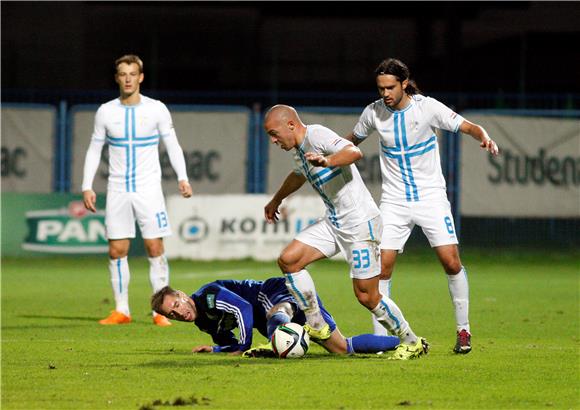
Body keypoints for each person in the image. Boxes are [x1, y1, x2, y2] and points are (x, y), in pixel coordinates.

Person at [344, 58, 500, 354]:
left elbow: (467, 126)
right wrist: (328, 153)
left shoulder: (427, 108)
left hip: (431, 198)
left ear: (404, 84)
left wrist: (484, 136)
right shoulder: (373, 113)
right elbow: (351, 141)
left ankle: (463, 330)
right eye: (381, 88)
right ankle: (384, 339)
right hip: (394, 201)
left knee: (451, 262)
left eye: (390, 87)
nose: (385, 93)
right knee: (382, 269)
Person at [263, 104, 428, 360]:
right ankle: (316, 324)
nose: (273, 140)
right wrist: (276, 200)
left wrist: (327, 160)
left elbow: (353, 151)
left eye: (274, 133)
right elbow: (298, 175)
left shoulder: (316, 135)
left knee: (367, 295)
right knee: (289, 260)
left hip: (360, 223)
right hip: (334, 222)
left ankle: (411, 340)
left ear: (291, 125)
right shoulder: (299, 150)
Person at [81, 54, 193, 326]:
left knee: (155, 247)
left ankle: (160, 312)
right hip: (118, 189)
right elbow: (95, 149)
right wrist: (87, 185)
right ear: (117, 78)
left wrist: (183, 177)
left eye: (133, 73)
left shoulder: (156, 109)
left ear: (141, 77)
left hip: (148, 189)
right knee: (117, 249)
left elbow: (173, 145)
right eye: (123, 74)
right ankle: (122, 310)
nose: (128, 78)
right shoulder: (106, 111)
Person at [151, 278, 403, 357]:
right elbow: (230, 341)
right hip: (278, 309)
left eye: (176, 304)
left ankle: (285, 325)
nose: (178, 312)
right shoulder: (202, 321)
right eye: (171, 313)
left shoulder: (208, 295)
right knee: (342, 349)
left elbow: (243, 309)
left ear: (183, 295)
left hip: (274, 292)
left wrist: (245, 346)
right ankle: (405, 343)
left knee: (276, 319)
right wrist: (217, 349)